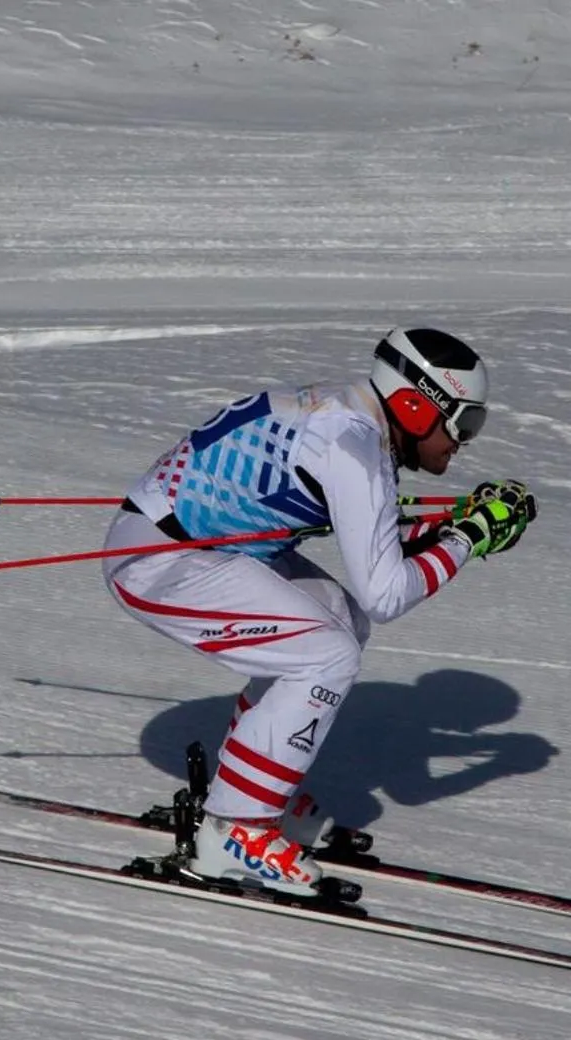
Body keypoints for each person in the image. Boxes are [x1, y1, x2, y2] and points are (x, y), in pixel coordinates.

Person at [102, 326, 537, 898]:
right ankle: (234, 830)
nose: (463, 441)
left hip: (194, 544)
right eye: (464, 422)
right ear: (414, 404)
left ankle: (244, 794)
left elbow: (378, 550)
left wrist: (454, 529)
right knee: (325, 655)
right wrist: (468, 539)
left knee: (342, 622)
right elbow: (388, 594)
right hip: (159, 561)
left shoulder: (352, 420)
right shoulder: (353, 447)